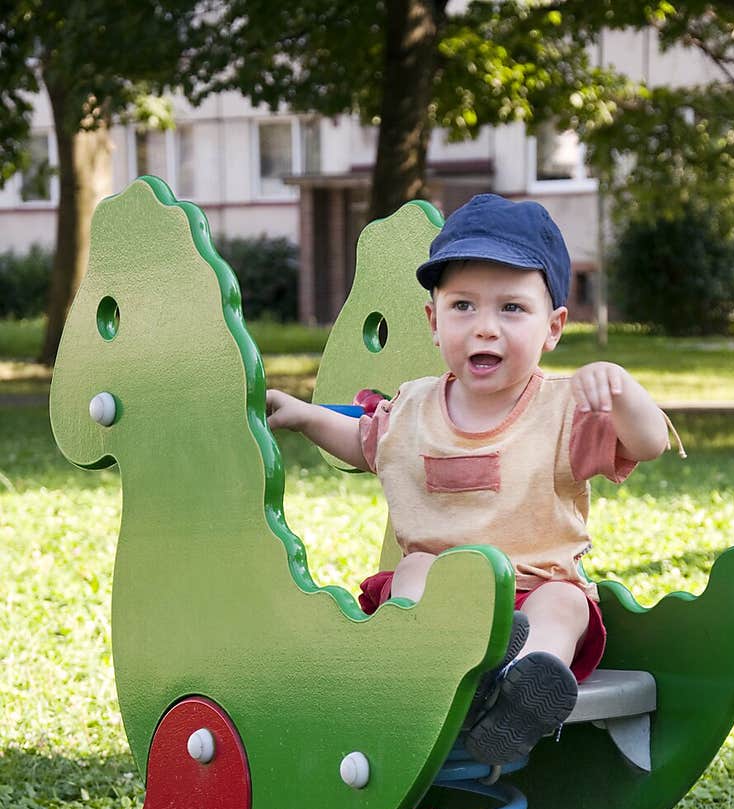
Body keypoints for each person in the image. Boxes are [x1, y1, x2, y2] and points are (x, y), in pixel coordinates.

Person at [266, 193, 676, 765]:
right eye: (463, 307)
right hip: (441, 592)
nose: (485, 328)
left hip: (533, 587)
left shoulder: (564, 412)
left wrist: (621, 390)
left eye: (512, 309)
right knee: (414, 567)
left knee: (566, 604)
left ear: (553, 327)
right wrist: (310, 417)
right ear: (434, 322)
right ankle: (438, 662)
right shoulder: (412, 408)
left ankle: (525, 686)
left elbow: (649, 442)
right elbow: (366, 446)